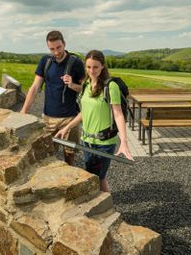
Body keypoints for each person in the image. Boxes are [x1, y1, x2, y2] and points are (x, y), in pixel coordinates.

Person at [55, 50, 134, 192]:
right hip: (87, 141)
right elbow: (84, 113)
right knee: (94, 177)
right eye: (89, 67)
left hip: (104, 143)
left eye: (96, 67)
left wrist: (124, 142)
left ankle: (105, 209)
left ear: (103, 66)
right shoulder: (86, 84)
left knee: (98, 178)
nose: (92, 71)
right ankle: (104, 208)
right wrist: (67, 127)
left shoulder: (110, 87)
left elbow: (118, 115)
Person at [21, 30, 85, 166]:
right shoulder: (45, 61)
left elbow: (85, 90)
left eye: (58, 47)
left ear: (64, 44)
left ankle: (71, 184)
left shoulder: (76, 63)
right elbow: (34, 88)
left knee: (69, 155)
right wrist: (23, 112)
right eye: (52, 49)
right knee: (47, 155)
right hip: (48, 118)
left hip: (70, 118)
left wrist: (72, 84)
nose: (56, 52)